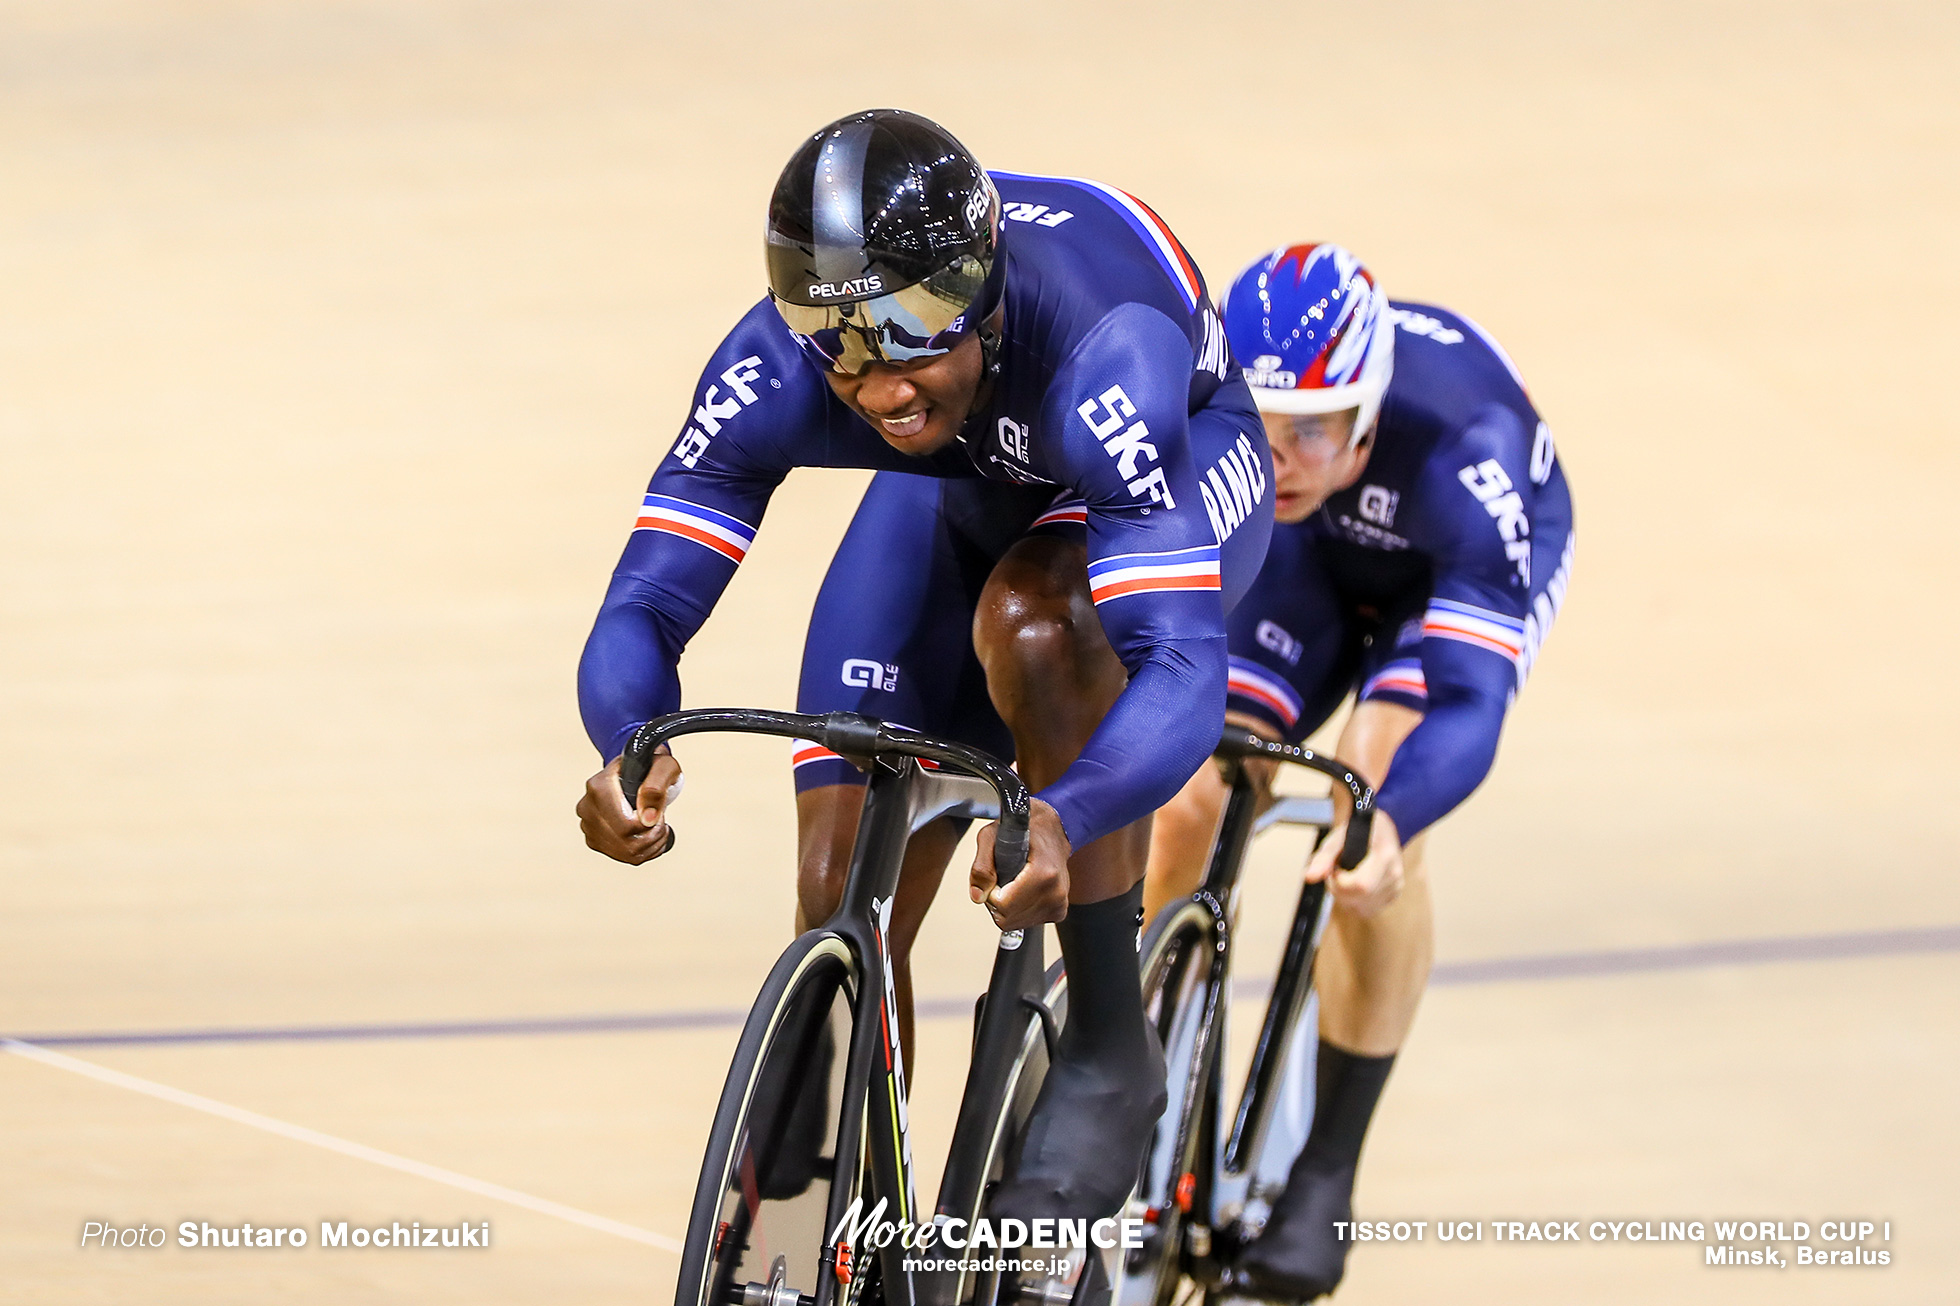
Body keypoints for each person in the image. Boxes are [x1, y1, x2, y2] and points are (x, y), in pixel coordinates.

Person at [573, 109, 1274, 1222]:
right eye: (840, 339)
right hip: (960, 474)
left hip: (1173, 449)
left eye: (911, 330)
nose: (879, 381)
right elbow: (646, 603)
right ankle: (861, 1206)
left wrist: (1067, 812)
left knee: (1039, 623)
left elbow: (1179, 665)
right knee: (837, 890)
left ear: (980, 291)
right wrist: (626, 742)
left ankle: (1104, 1037)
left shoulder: (1103, 356)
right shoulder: (787, 367)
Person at [1143, 243, 1574, 1299]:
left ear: (1367, 418)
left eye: (1314, 430)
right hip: (1305, 559)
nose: (1280, 453)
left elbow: (1470, 704)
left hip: (1440, 579)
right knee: (1198, 780)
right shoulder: (1240, 434)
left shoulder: (1468, 453)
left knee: (1368, 791)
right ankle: (1145, 1037)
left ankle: (1326, 1162)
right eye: (1264, 420)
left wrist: (1391, 821)